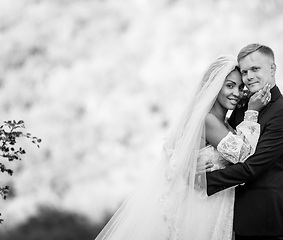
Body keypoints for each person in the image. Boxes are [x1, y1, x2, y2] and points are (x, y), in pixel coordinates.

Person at [94, 55, 271, 240]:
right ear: (214, 87)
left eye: (240, 87)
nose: (236, 92)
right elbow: (244, 156)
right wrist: (252, 112)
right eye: (229, 85)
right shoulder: (208, 120)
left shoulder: (222, 122)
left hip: (213, 205)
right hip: (201, 209)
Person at [206, 44, 283, 240]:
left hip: (262, 218)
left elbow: (251, 168)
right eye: (245, 71)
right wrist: (194, 164)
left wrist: (204, 181)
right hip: (229, 215)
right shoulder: (244, 104)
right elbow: (224, 146)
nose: (249, 77)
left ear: (272, 69)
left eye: (255, 69)